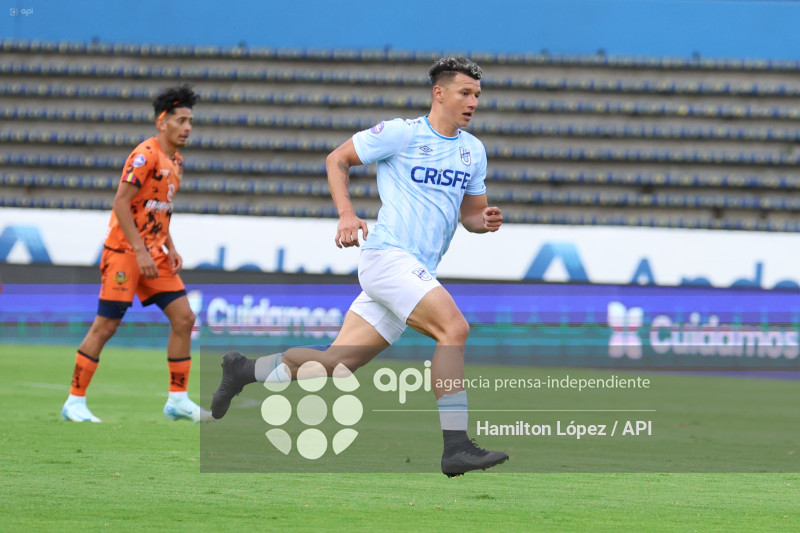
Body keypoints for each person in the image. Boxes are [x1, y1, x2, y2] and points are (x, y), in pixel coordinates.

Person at [211, 58, 508, 475]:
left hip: (413, 270)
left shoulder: (472, 151)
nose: (473, 101)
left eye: (477, 94)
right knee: (454, 328)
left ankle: (244, 369)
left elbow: (471, 215)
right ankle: (456, 447)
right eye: (465, 92)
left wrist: (486, 222)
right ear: (438, 93)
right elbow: (337, 159)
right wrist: (346, 213)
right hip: (388, 258)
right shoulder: (402, 133)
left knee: (335, 365)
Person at [61, 85, 211, 423]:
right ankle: (74, 401)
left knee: (184, 318)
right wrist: (141, 251)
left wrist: (169, 247)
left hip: (153, 253)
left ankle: (177, 399)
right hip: (126, 254)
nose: (187, 127)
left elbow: (158, 209)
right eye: (181, 120)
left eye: (191, 121)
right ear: (162, 121)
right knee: (107, 324)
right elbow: (121, 203)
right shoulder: (144, 155)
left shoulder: (177, 161)